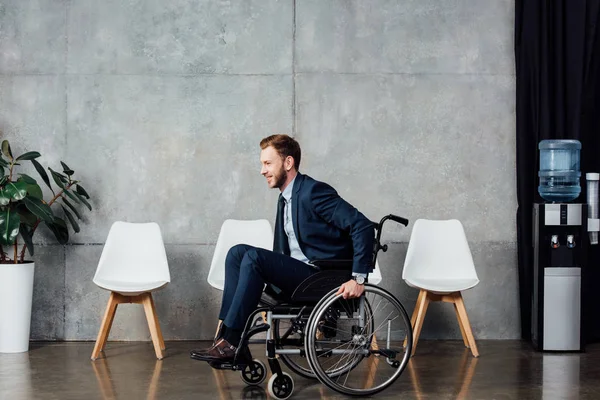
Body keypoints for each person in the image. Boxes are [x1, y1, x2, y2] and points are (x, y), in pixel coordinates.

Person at [191, 134, 375, 362]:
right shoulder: (286, 198)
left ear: (288, 163)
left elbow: (362, 226)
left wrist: (358, 279)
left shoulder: (313, 192)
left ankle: (232, 342)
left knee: (254, 258)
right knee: (237, 252)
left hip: (321, 275)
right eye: (262, 164)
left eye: (268, 163)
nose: (262, 170)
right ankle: (226, 338)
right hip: (300, 274)